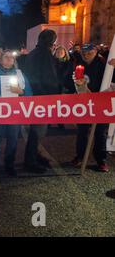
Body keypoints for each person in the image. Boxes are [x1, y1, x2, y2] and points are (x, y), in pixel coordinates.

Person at [66, 44, 110, 172]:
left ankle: (101, 160)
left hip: (101, 103)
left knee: (100, 132)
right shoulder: (77, 64)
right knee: (82, 131)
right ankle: (80, 156)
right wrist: (74, 85)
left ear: (96, 51)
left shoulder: (104, 63)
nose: (86, 54)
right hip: (83, 103)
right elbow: (68, 79)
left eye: (89, 51)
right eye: (83, 52)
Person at [0, 50, 33, 177]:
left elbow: (29, 93)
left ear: (14, 61)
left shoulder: (19, 74)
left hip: (13, 113)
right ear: (0, 59)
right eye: (6, 57)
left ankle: (9, 165)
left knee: (13, 140)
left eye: (11, 58)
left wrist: (21, 91)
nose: (9, 59)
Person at [23, 29, 61, 173]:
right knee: (37, 132)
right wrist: (51, 96)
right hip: (42, 98)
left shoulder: (33, 53)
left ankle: (34, 157)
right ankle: (30, 161)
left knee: (36, 131)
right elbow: (49, 77)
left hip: (35, 96)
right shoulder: (44, 54)